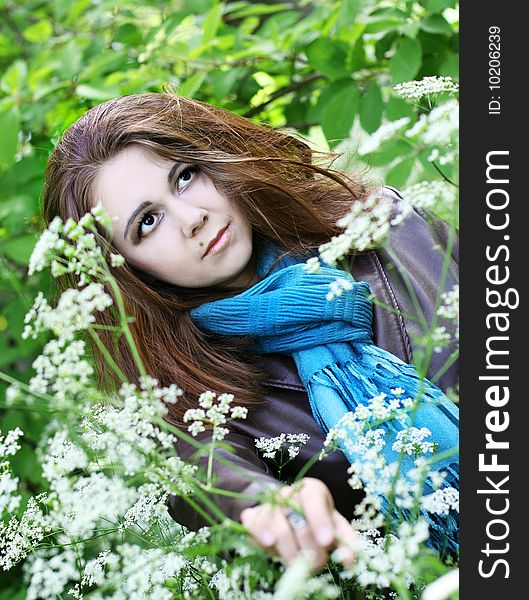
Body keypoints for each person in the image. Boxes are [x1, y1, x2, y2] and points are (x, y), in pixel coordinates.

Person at [41, 91, 459, 570]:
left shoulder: (382, 222)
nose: (191, 218)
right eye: (148, 222)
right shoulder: (181, 397)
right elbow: (214, 478)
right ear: (126, 270)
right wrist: (271, 509)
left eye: (185, 176)